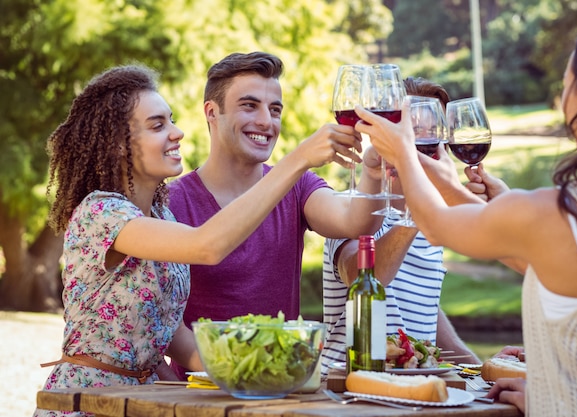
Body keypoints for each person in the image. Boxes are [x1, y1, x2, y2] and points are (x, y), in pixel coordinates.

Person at [35, 63, 373, 416]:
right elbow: (208, 246)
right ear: (118, 145)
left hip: (145, 401)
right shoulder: (101, 213)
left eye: (172, 120)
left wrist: (258, 375)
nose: (177, 132)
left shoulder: (161, 215)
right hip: (89, 402)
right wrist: (299, 159)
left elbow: (175, 336)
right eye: (157, 125)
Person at [355, 12, 577, 415]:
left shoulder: (548, 213)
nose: (560, 95)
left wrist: (402, 154)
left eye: (566, 82)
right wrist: (548, 395)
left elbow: (438, 224)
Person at [167, 52, 384, 379]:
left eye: (275, 109)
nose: (266, 122)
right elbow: (155, 324)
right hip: (197, 395)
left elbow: (357, 221)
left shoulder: (298, 187)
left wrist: (373, 169)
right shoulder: (172, 202)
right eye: (249, 106)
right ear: (212, 113)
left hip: (280, 390)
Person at [320, 77, 481, 379]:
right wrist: (420, 213)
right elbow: (364, 277)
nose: (417, 143)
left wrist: (482, 368)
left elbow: (420, 311)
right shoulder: (350, 210)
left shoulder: (431, 220)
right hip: (346, 390)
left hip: (412, 388)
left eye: (429, 133)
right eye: (407, 131)